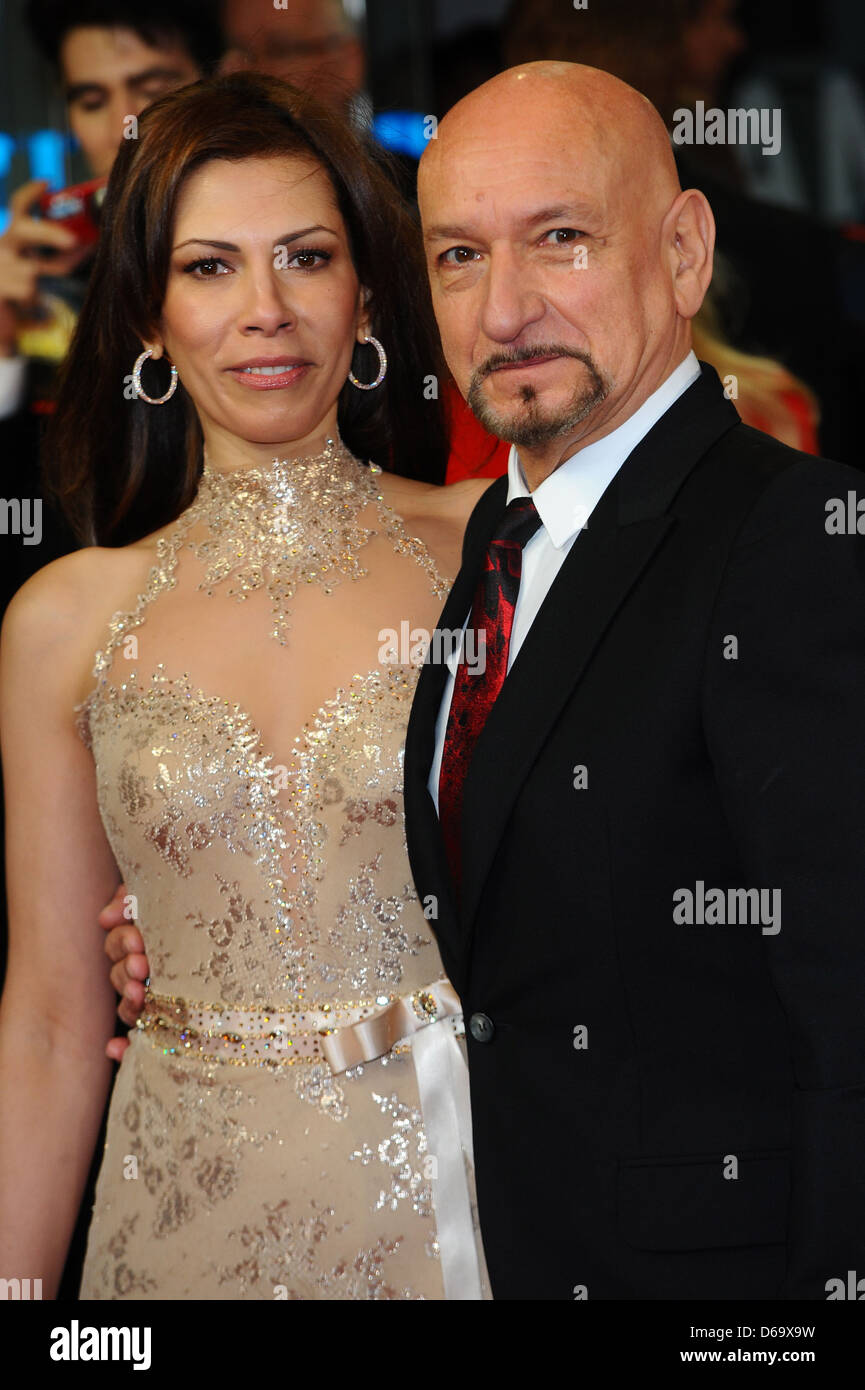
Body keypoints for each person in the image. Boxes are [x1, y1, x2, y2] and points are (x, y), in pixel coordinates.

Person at [83, 60, 865, 1300]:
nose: (505, 311)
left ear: (681, 250)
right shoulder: (489, 548)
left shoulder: (790, 544)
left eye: (558, 239)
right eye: (457, 256)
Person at [0, 70, 490, 1300]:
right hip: (169, 1228)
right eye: (210, 267)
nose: (264, 310)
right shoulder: (64, 620)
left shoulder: (493, 553)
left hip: (451, 1199)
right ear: (148, 319)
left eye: (306, 258)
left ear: (367, 294)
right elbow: (56, 1019)